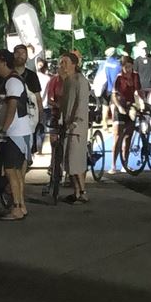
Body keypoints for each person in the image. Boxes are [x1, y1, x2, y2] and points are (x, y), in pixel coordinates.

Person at [0, 47, 34, 217]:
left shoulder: (12, 82)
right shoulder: (7, 80)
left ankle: (16, 207)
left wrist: (4, 129)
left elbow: (12, 107)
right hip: (18, 132)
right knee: (15, 171)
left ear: (3, 62)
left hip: (15, 133)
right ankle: (21, 205)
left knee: (11, 170)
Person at [57, 50, 91, 202]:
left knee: (75, 159)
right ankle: (77, 191)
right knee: (69, 161)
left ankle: (82, 191)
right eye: (61, 62)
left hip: (76, 127)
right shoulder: (67, 81)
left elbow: (81, 103)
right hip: (68, 125)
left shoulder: (80, 81)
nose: (62, 65)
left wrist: (76, 121)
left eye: (65, 62)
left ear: (74, 64)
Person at [111, 52, 143, 171]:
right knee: (118, 136)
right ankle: (113, 165)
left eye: (129, 67)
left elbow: (139, 91)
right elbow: (114, 95)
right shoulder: (119, 78)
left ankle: (125, 164)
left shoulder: (135, 76)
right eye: (125, 67)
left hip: (131, 106)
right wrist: (119, 107)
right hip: (119, 106)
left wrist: (142, 102)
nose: (128, 69)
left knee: (128, 136)